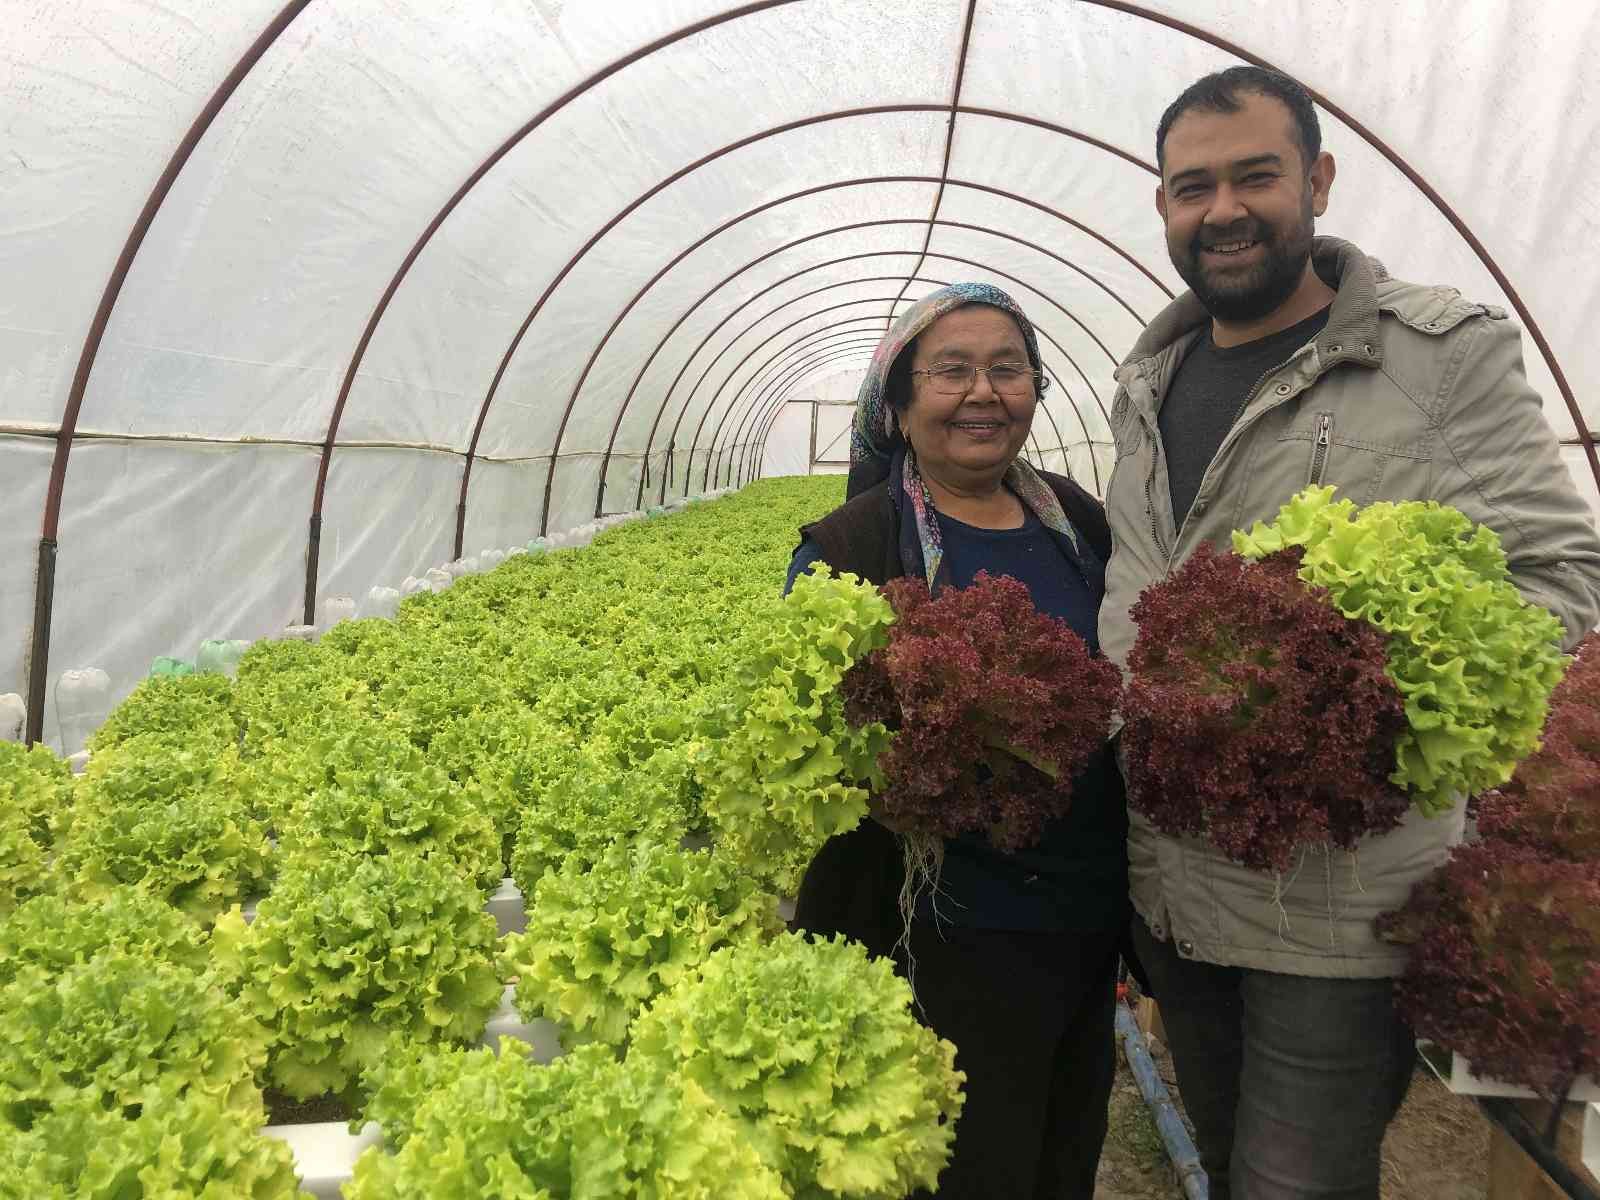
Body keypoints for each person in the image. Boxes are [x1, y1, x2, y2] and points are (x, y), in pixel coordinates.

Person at [1100, 66, 1600, 1199]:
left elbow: (1559, 575)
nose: (1221, 209)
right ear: (1164, 207)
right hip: (1170, 879)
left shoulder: (1434, 354)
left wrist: (1352, 692)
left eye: (1254, 176)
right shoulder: (1148, 376)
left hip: (1333, 906)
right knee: (1228, 1160)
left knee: (1295, 1181)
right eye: (1191, 188)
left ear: (1317, 180)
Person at [783, 282, 1128, 1200]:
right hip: (927, 935)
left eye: (1007, 369)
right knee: (963, 1165)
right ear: (896, 406)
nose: (984, 393)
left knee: (1063, 1152)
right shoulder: (848, 546)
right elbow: (808, 747)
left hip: (1080, 919)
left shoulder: (1078, 525)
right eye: (951, 372)